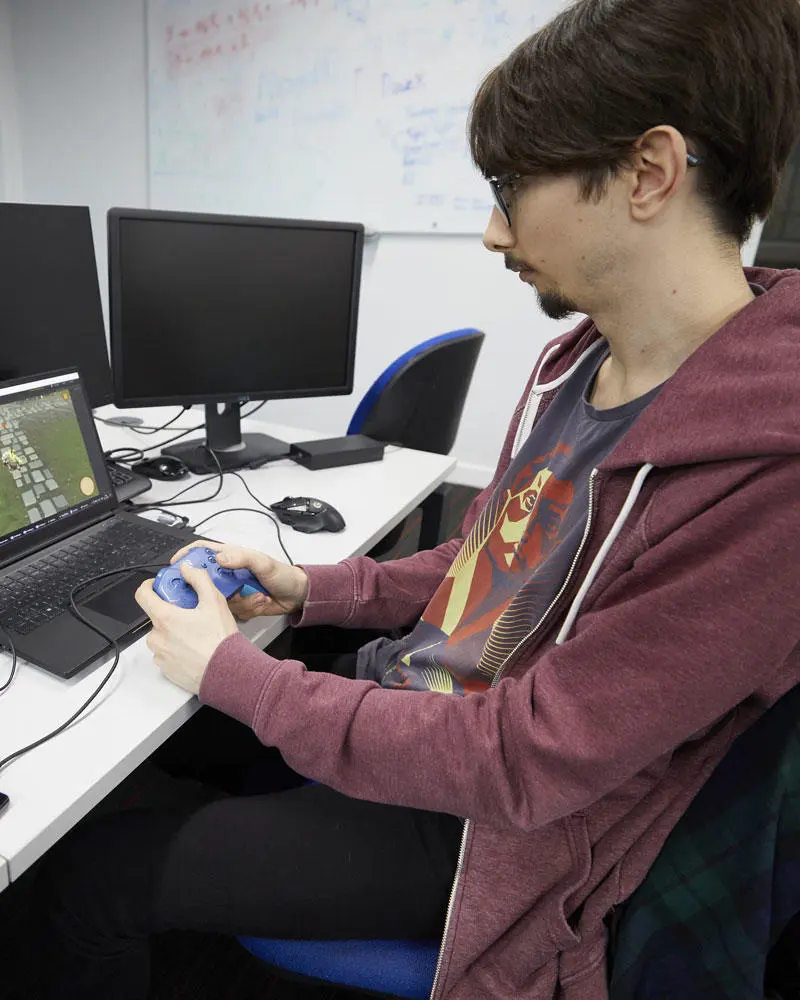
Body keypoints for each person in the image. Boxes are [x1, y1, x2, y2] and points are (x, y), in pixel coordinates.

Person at [37, 0, 800, 997]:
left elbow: (525, 758)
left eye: (509, 189)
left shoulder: (766, 474)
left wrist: (244, 677)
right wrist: (308, 587)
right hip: (414, 717)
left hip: (481, 834)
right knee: (143, 728)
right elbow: (488, 565)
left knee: (86, 878)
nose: (490, 231)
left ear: (646, 174)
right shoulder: (578, 363)